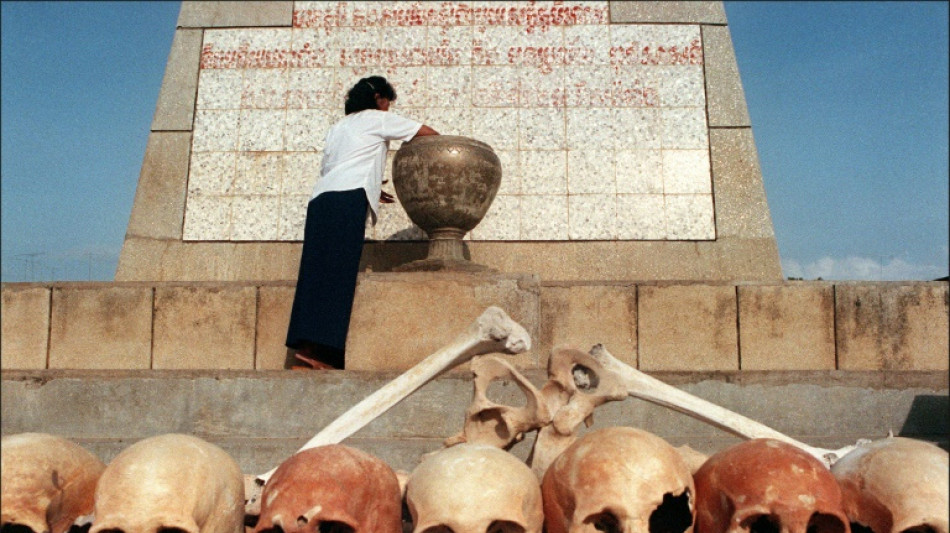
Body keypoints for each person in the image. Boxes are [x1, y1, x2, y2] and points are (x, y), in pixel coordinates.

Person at [285, 76, 439, 370]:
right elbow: (426, 133)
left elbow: (337, 165)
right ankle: (323, 354)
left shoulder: (339, 127)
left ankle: (304, 350)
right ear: (378, 98)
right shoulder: (376, 119)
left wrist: (371, 185)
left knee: (315, 272)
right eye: (387, 103)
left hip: (322, 199)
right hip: (347, 200)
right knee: (339, 272)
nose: (387, 109)